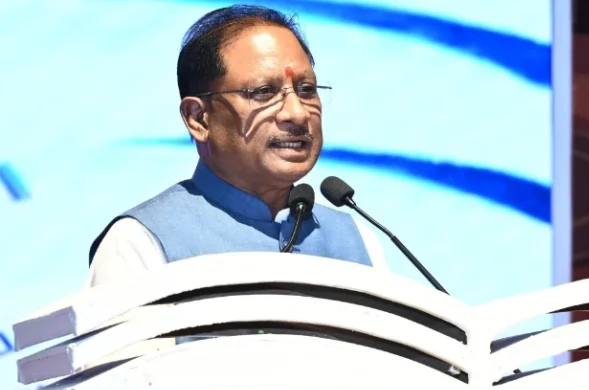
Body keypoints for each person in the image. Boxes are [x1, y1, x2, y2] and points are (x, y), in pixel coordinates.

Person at [87, 4, 386, 287]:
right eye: (264, 92)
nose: (297, 113)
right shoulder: (139, 243)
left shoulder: (355, 241)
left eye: (306, 90)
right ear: (199, 119)